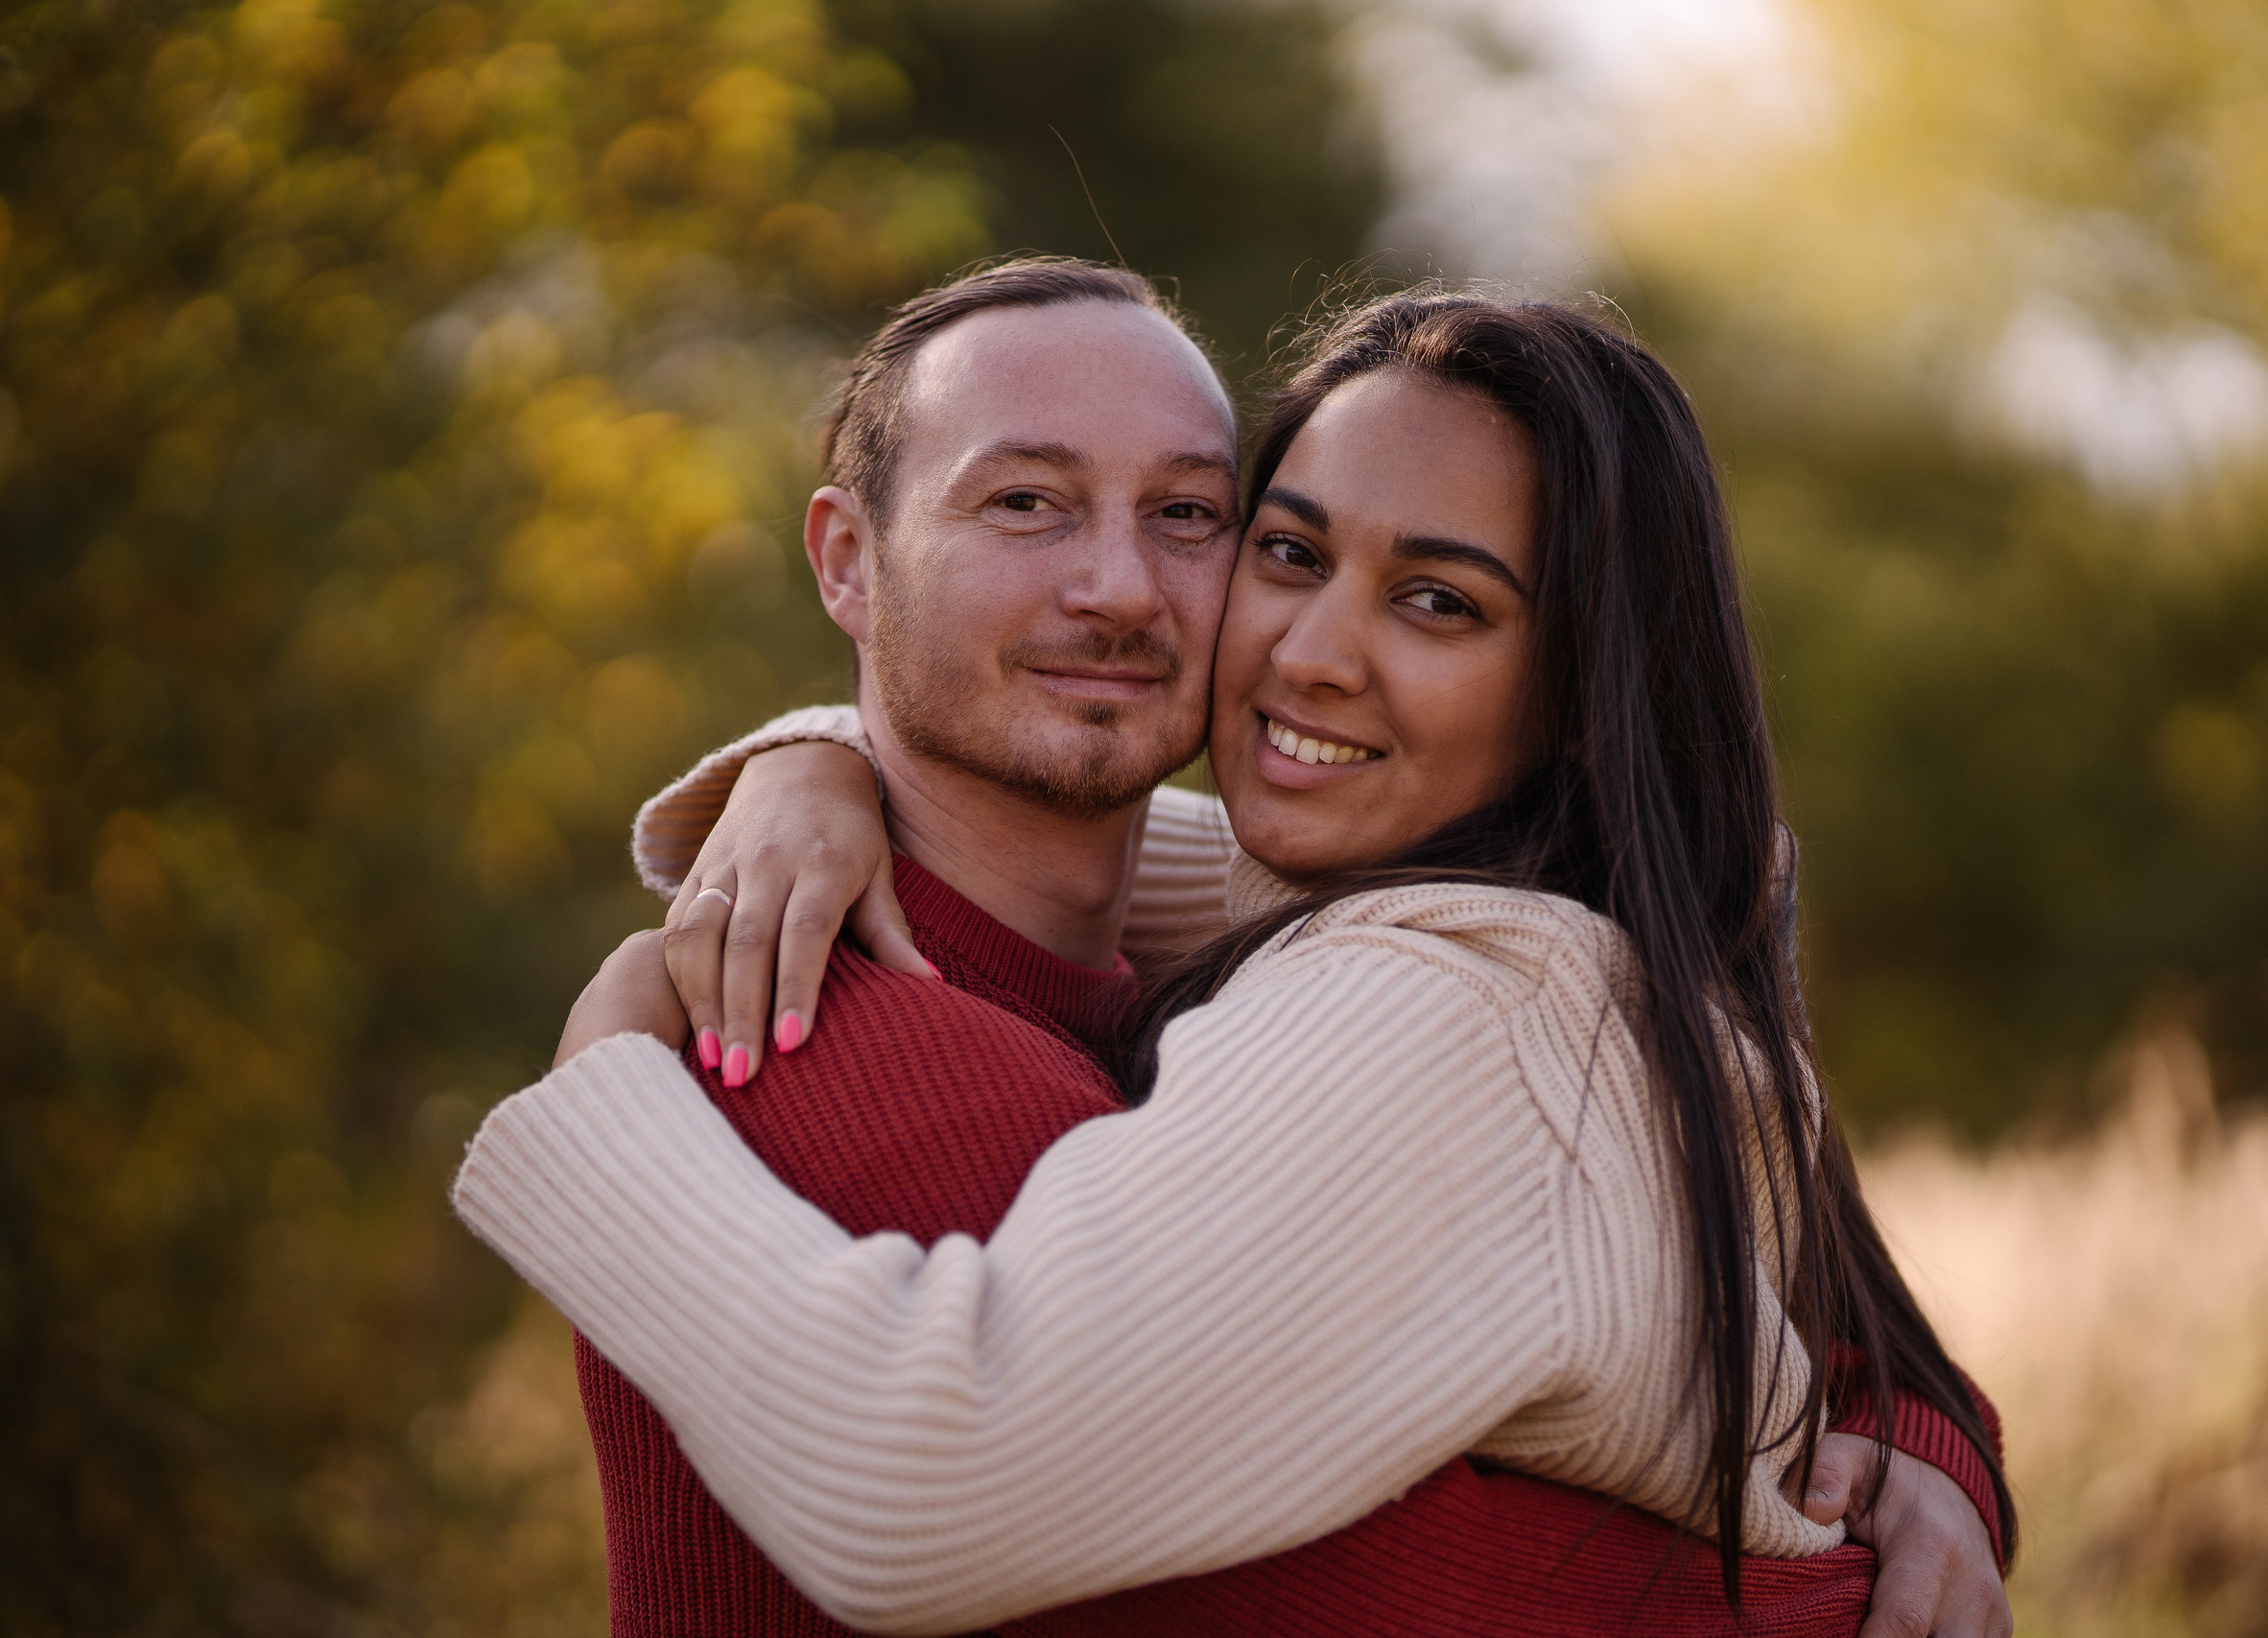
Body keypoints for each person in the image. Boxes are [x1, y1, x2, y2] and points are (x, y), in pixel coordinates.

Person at [455, 261, 2014, 1637]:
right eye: (1025, 502)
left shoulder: (1395, 989)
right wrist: (635, 1033)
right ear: (847, 563)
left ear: (1578, 689)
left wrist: (1916, 1464)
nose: (1123, 587)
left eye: (1192, 517)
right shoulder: (826, 1035)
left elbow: (1827, 1315)